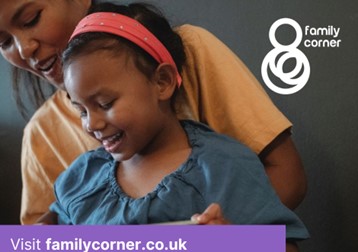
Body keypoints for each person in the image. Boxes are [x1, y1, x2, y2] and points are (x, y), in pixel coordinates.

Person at [42, 4, 308, 252]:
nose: (91, 124)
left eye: (105, 104)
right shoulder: (83, 179)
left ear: (162, 82)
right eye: (80, 110)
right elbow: (54, 241)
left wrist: (230, 248)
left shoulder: (220, 165)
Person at [0, 0, 307, 227]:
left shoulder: (219, 159)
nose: (24, 49)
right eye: (3, 42)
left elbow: (280, 251)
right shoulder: (48, 142)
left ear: (164, 82)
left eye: (30, 19)